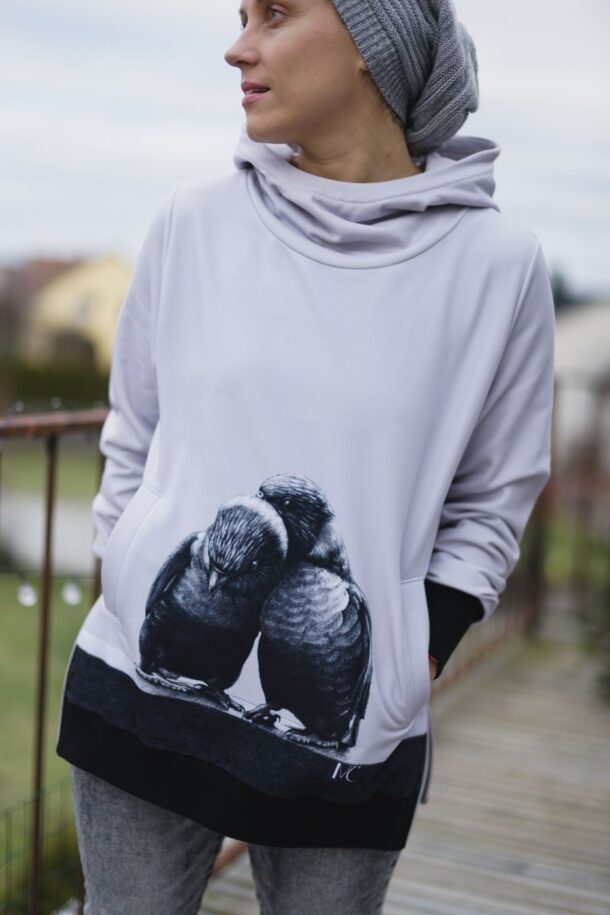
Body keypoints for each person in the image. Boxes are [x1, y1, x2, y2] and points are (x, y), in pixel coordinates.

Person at [55, 0, 556, 912]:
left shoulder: (497, 266)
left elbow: (494, 496)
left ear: (372, 45)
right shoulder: (192, 222)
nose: (237, 47)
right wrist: (128, 576)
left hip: (345, 731)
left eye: (275, 14)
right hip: (141, 689)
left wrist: (416, 653)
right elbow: (133, 434)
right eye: (242, 15)